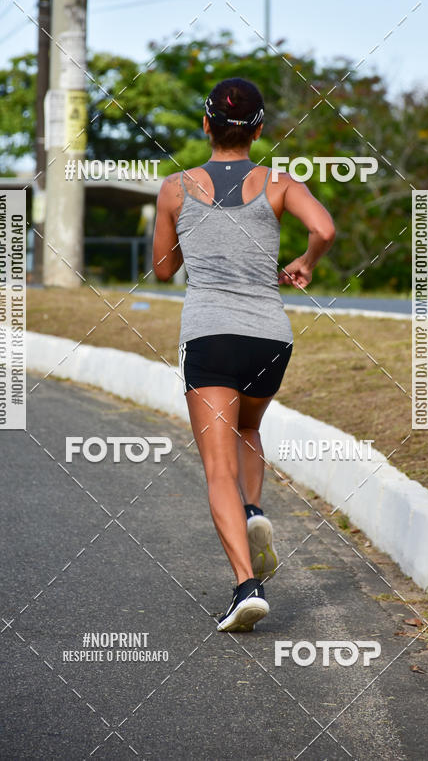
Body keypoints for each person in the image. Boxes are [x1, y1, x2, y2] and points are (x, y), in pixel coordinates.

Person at [153, 77, 335, 632]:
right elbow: (324, 227)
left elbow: (163, 269)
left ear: (206, 126)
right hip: (268, 338)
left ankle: (245, 587)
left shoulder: (175, 187)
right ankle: (255, 509)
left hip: (210, 336)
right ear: (258, 130)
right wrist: (306, 261)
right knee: (248, 428)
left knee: (216, 468)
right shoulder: (280, 182)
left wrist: (191, 236)